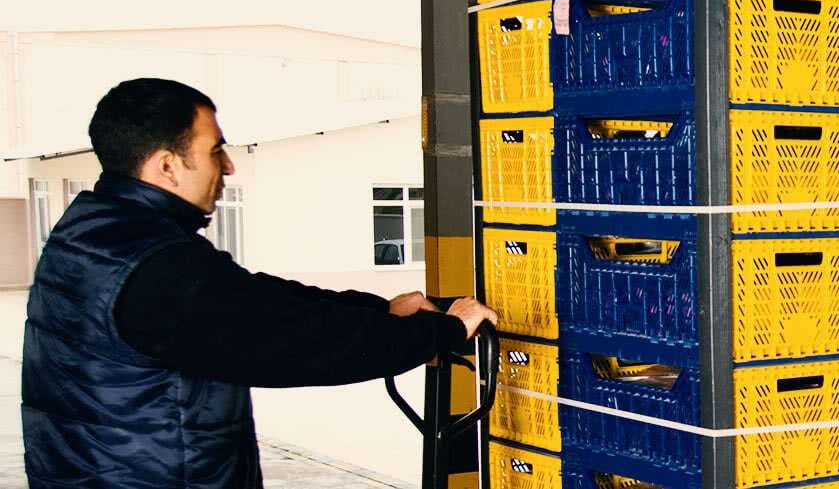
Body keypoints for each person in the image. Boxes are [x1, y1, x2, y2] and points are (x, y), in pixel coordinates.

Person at [18, 78, 499, 488]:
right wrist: (444, 332)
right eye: (215, 151)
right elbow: (292, 341)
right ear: (166, 165)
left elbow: (252, 298)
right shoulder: (157, 265)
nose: (228, 166)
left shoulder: (95, 231)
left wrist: (378, 311)